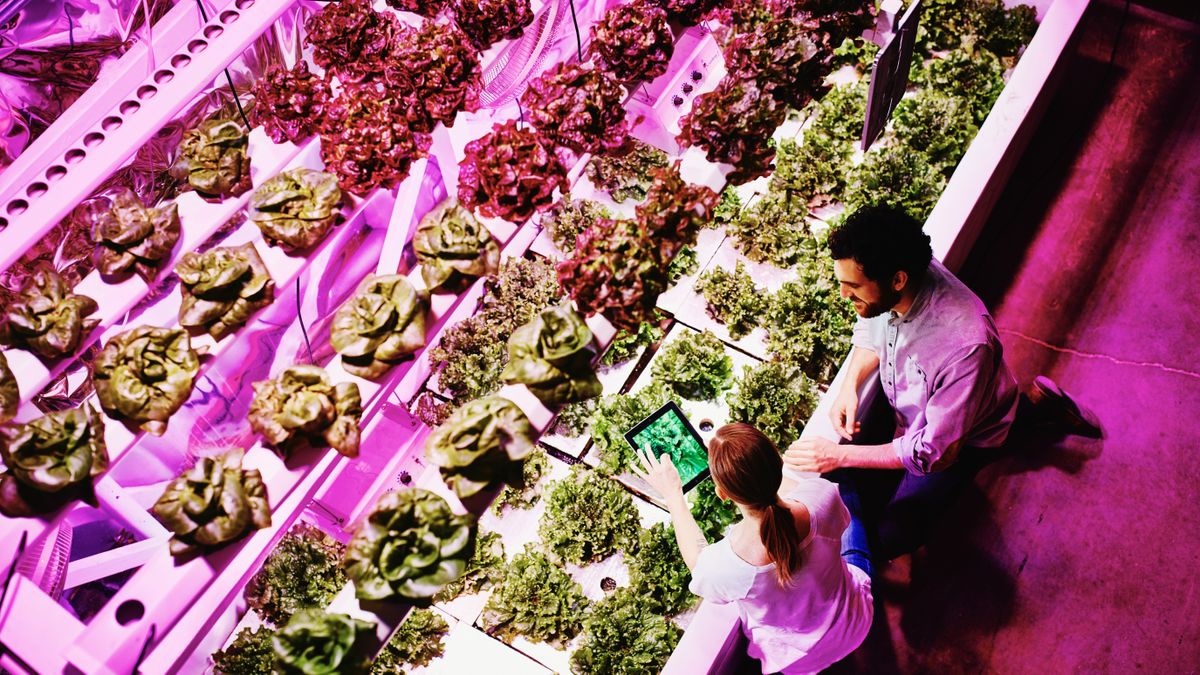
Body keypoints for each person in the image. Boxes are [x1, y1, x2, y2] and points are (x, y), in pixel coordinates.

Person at [783, 204, 1101, 558]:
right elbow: (873, 323)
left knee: (891, 537)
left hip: (962, 442)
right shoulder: (900, 277)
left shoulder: (964, 344)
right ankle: (1036, 402)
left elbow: (933, 452)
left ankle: (1037, 407)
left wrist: (839, 455)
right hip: (942, 411)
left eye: (852, 286)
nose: (843, 295)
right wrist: (849, 385)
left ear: (897, 279)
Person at [634, 423, 874, 675]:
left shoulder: (725, 568)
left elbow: (697, 561)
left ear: (722, 494)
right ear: (779, 463)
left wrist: (673, 495)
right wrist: (747, 463)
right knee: (852, 519)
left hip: (802, 659)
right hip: (856, 619)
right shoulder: (823, 495)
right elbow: (789, 491)